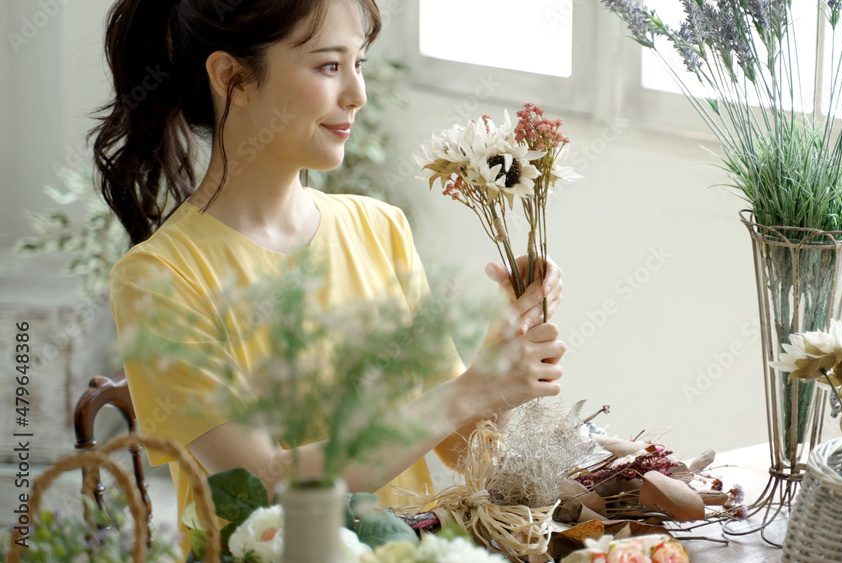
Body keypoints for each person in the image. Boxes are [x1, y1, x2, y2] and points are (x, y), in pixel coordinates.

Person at [91, 0, 566, 546]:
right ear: (233, 78)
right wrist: (466, 393)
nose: (357, 95)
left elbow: (461, 450)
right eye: (328, 66)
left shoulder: (379, 228)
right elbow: (265, 488)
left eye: (359, 63)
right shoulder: (159, 278)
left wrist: (501, 358)